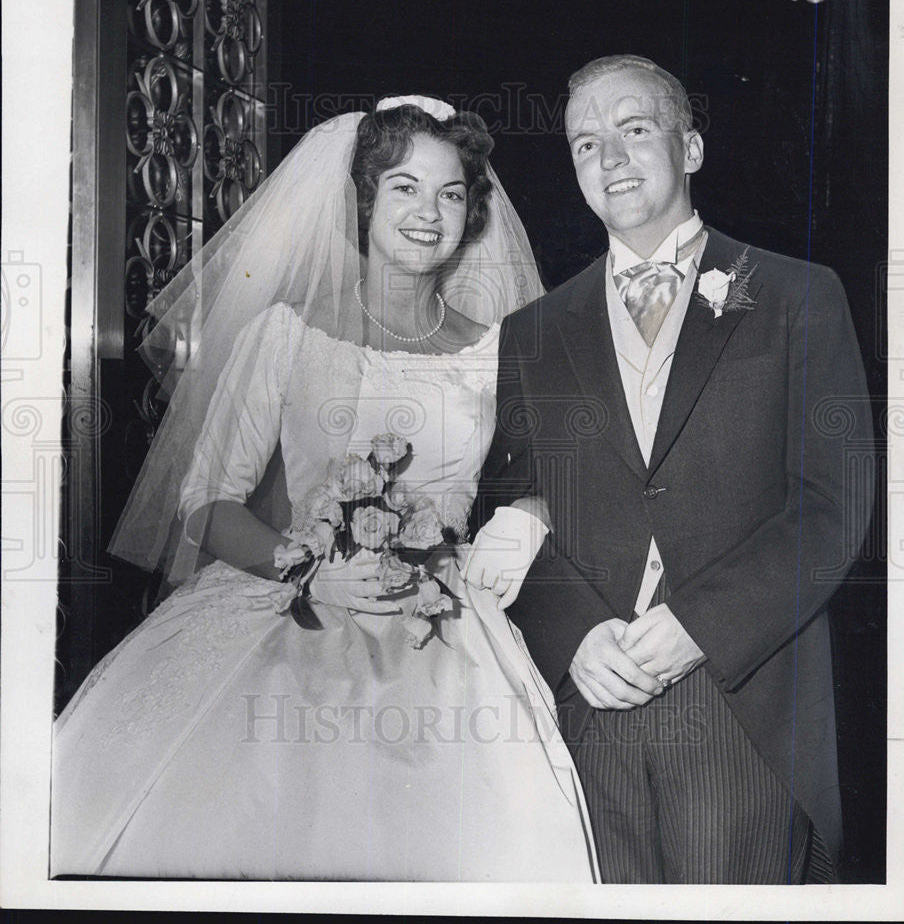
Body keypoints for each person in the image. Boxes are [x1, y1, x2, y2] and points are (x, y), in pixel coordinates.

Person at [51, 97, 599, 882]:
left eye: (451, 194)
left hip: (446, 630)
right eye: (405, 187)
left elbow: (545, 480)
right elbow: (206, 500)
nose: (429, 213)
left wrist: (534, 511)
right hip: (282, 607)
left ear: (473, 214)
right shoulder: (286, 332)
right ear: (365, 198)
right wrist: (302, 564)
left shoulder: (497, 349)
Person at [468, 55, 873, 884]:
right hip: (588, 705)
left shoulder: (800, 297)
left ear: (689, 149)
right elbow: (507, 508)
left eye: (635, 130)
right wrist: (570, 632)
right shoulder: (535, 332)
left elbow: (835, 505)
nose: (610, 159)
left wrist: (701, 626)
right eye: (586, 144)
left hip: (743, 702)